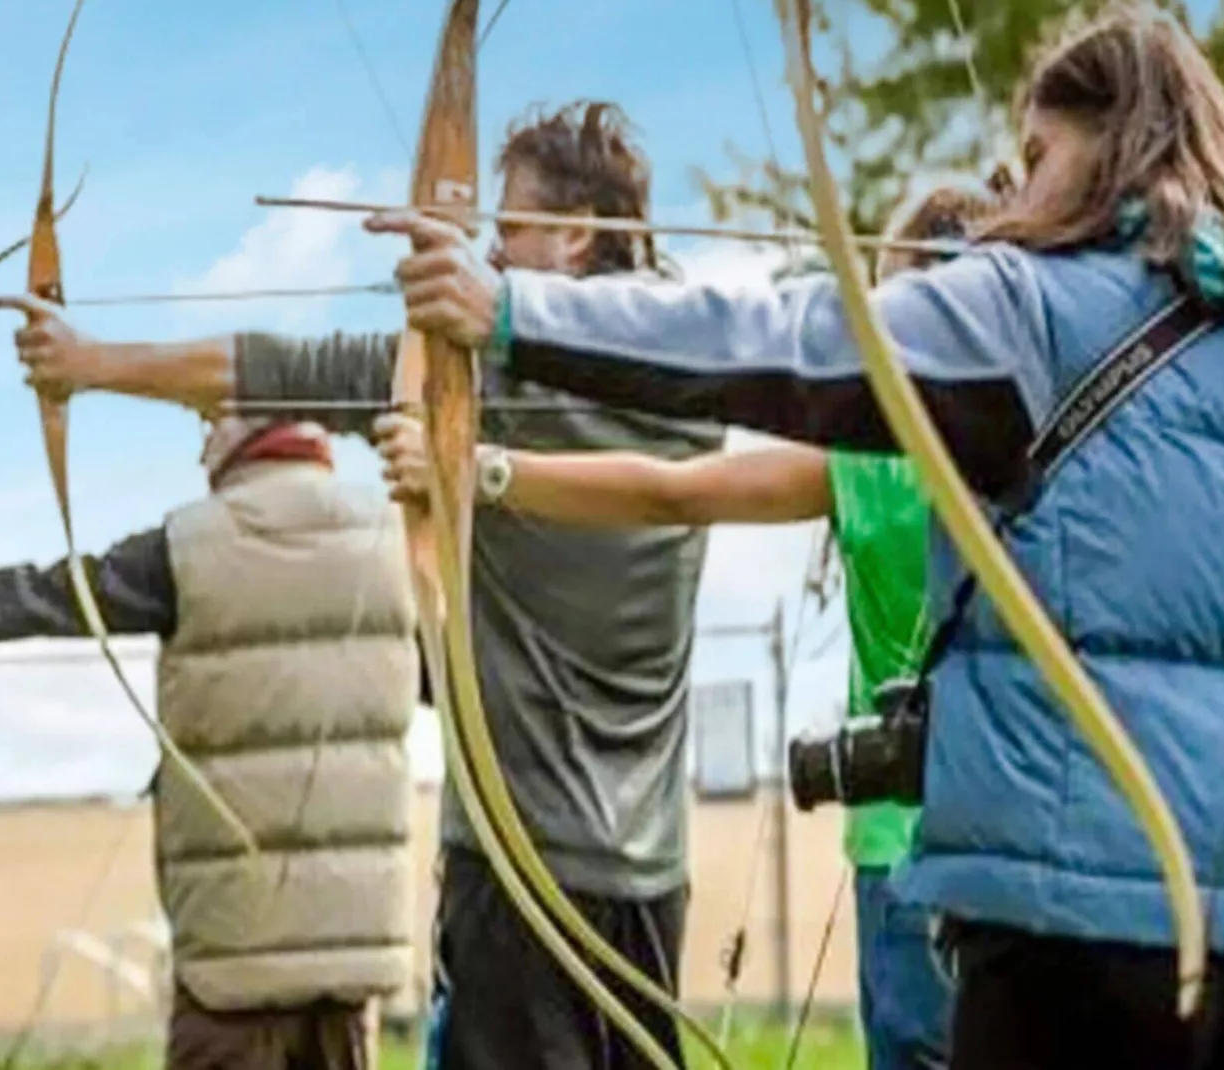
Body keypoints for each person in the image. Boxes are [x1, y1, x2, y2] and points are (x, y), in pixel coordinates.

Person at [368, 8, 1224, 1068]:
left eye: (1036, 158)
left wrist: (511, 311)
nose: (1015, 195)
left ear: (1110, 151)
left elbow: (783, 339)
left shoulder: (1027, 307)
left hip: (1064, 920)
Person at [0, 101, 726, 1070]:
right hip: (650, 871)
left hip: (517, 871)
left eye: (506, 233)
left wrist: (89, 362)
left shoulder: (492, 385)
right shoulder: (702, 378)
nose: (491, 259)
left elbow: (278, 368)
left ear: (578, 232)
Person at [374, 185, 993, 1070]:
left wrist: (482, 471)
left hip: (903, 846)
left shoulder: (873, 458)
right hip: (1021, 851)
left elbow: (674, 493)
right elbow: (671, 489)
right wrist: (475, 468)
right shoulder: (1050, 444)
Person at [0, 416, 419, 1070]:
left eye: (213, 420)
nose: (202, 443)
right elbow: (462, 689)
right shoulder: (394, 545)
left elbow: (40, 596)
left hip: (231, 977)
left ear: (253, 422)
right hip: (352, 981)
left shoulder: (192, 546)